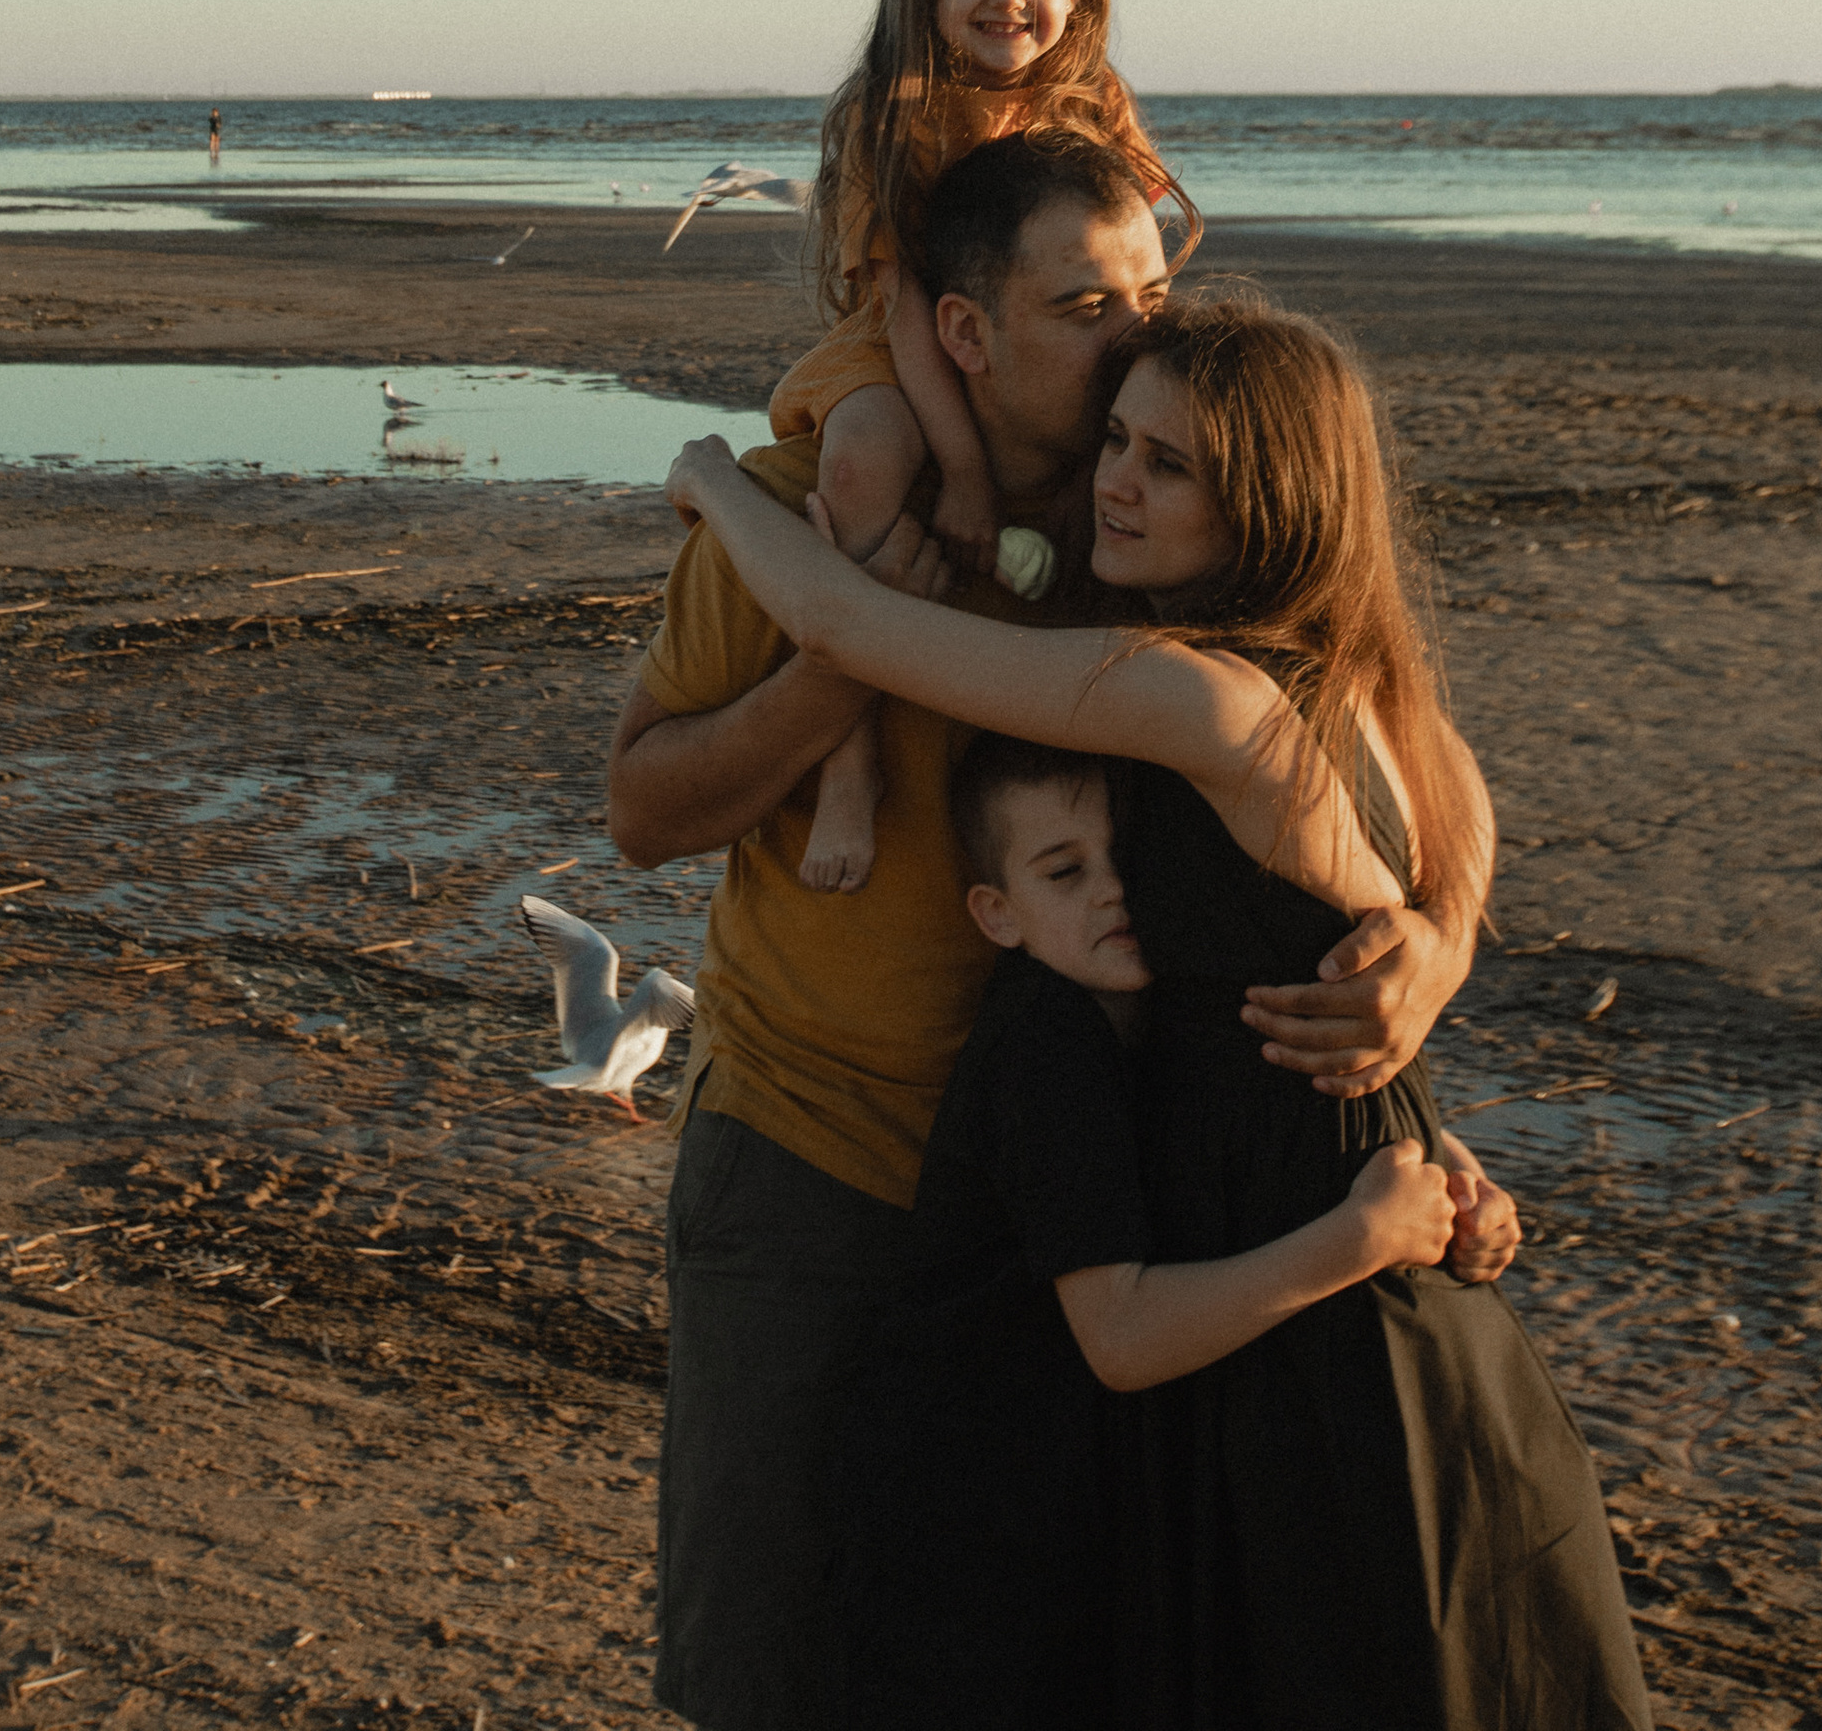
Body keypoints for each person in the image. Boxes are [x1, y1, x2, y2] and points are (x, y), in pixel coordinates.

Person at [667, 283, 1648, 1731]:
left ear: (1269, 501)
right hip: (1338, 1250)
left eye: (1167, 464)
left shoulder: (1198, 699)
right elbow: (1461, 796)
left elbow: (839, 621)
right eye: (1117, 440)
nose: (1112, 483)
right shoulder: (1362, 681)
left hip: (1319, 1307)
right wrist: (1440, 952)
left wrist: (706, 476)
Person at [891, 734, 1517, 1726]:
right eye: (1064, 872)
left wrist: (1452, 1166)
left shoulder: (1143, 1007)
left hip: (1070, 1504)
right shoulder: (1048, 1048)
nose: (1113, 890)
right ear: (995, 914)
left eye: (1126, 856)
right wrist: (1362, 1238)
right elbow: (1122, 1339)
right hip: (995, 1533)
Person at [778, 0, 1188, 893]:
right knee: (865, 456)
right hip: (903, 339)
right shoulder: (896, 112)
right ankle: (849, 757)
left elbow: (1132, 254)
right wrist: (961, 469)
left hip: (1044, 331)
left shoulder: (1093, 103)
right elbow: (904, 306)